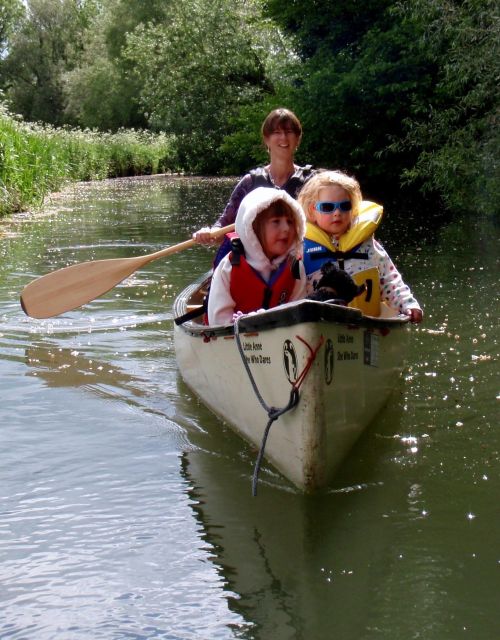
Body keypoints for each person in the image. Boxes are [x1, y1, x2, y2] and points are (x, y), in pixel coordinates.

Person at [298, 170, 423, 323]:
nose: (337, 212)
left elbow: (390, 279)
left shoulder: (368, 244)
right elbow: (294, 291)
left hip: (367, 322)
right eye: (327, 207)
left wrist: (407, 304)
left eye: (344, 206)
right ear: (312, 210)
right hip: (322, 324)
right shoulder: (301, 249)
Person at [193, 108, 313, 245]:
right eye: (277, 132)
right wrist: (209, 233)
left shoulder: (312, 183)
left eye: (289, 132)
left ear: (298, 139)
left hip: (299, 257)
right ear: (266, 139)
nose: (284, 138)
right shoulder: (250, 182)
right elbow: (223, 225)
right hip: (257, 262)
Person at [207, 187, 307, 326]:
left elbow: (299, 313)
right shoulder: (228, 268)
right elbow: (218, 322)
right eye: (276, 221)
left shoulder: (295, 267)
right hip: (236, 340)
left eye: (290, 222)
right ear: (252, 227)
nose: (286, 228)